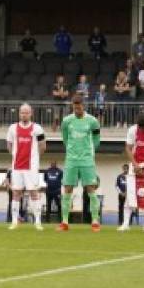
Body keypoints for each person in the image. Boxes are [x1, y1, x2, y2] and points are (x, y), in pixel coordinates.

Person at [58, 94, 102, 232]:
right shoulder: (66, 121)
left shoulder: (93, 121)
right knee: (67, 189)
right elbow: (65, 139)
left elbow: (96, 139)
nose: (77, 110)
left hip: (87, 160)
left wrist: (89, 153)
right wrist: (71, 151)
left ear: (84, 105)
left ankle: (95, 221)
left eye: (79, 108)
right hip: (71, 159)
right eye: (74, 108)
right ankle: (65, 222)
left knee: (91, 189)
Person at [6, 104, 47, 230]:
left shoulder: (37, 128)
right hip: (17, 166)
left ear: (31, 113)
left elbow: (43, 146)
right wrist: (15, 155)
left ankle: (38, 222)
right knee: (16, 193)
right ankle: (14, 221)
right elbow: (9, 145)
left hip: (31, 167)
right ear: (19, 113)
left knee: (34, 193)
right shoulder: (13, 128)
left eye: (26, 112)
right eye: (22, 112)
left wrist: (35, 159)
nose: (24, 114)